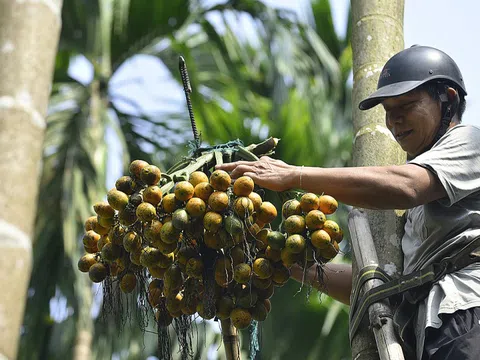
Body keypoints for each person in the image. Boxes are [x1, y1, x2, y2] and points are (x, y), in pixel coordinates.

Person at [216, 45, 480, 360]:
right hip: (437, 332)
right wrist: (282, 260)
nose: (394, 122)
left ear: (447, 98)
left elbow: (407, 185)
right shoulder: (421, 212)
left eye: (406, 106)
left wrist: (294, 175)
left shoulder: (468, 142)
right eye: (388, 110)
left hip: (468, 312)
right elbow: (373, 283)